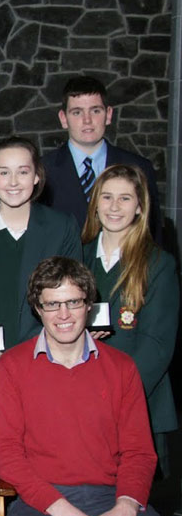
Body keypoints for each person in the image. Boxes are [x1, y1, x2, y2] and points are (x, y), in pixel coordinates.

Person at [0, 256, 182, 516]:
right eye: (52, 304)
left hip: (111, 494)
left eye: (73, 302)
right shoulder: (13, 366)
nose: (63, 314)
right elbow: (6, 455)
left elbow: (141, 452)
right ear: (38, 308)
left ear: (89, 306)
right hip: (40, 500)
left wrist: (126, 508)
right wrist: (63, 510)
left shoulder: (121, 367)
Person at [0, 136, 81, 380]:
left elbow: (71, 302)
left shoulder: (61, 228)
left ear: (36, 176)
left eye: (23, 172)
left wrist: (20, 362)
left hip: (41, 361)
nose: (13, 182)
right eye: (4, 172)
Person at [81, 164, 179, 472]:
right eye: (107, 197)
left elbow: (157, 346)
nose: (114, 207)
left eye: (125, 198)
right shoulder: (77, 257)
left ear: (139, 207)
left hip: (134, 401)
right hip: (80, 401)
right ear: (95, 203)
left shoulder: (158, 264)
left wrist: (115, 399)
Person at [42, 75, 163, 241]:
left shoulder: (140, 168)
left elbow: (153, 236)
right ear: (64, 118)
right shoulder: (42, 170)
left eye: (95, 111)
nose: (87, 120)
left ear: (108, 114)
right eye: (77, 112)